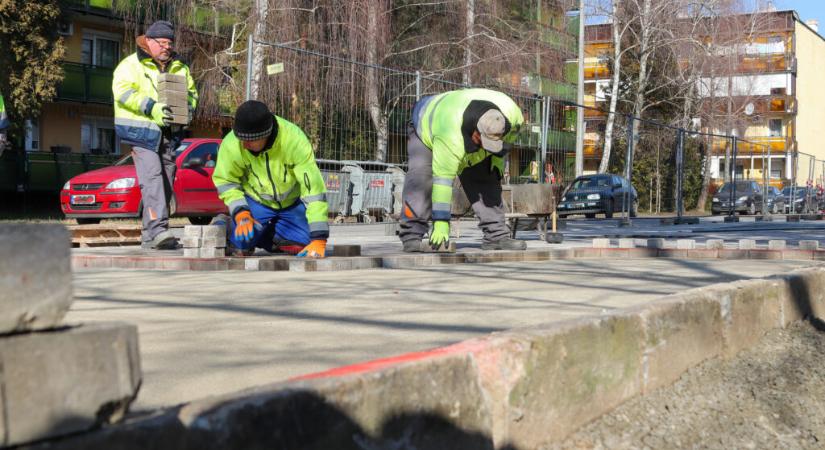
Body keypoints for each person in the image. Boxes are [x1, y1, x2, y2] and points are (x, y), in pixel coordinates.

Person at [399, 88, 526, 252]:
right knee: (421, 178)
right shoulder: (450, 135)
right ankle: (411, 236)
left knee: (487, 173)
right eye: (483, 141)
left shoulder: (512, 115)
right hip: (426, 126)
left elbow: (510, 137)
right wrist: (441, 222)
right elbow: (443, 181)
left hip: (464, 116)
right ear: (475, 132)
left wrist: (497, 157)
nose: (485, 146)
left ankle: (496, 236)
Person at [112, 20, 198, 249]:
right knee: (153, 180)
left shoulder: (180, 66)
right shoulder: (130, 65)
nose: (167, 47)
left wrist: (188, 108)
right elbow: (121, 92)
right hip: (141, 133)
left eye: (170, 43)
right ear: (148, 41)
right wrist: (151, 107)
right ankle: (159, 230)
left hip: (169, 135)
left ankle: (151, 236)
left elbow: (192, 93)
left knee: (166, 182)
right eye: (162, 43)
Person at [211, 100, 329, 258]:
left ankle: (260, 232)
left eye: (250, 141)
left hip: (291, 205)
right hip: (256, 201)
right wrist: (241, 213)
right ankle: (229, 227)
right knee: (240, 244)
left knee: (304, 244)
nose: (244, 145)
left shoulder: (293, 140)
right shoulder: (232, 144)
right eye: (241, 140)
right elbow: (226, 183)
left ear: (265, 135)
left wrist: (319, 238)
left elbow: (313, 190)